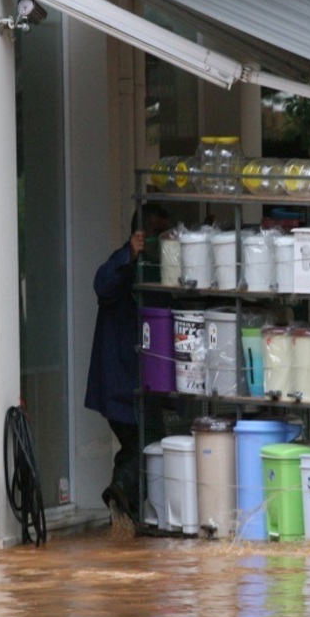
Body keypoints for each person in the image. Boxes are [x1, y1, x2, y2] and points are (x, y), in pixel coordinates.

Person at [85, 207, 170, 521]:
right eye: (160, 233)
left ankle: (123, 510)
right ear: (140, 236)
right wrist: (129, 256)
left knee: (140, 445)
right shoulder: (122, 265)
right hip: (122, 381)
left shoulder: (155, 269)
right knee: (144, 443)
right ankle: (120, 492)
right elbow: (102, 284)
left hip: (140, 379)